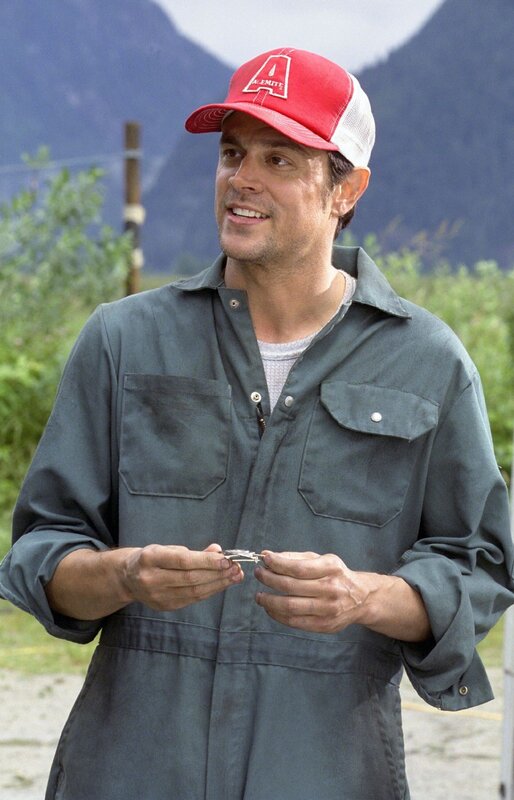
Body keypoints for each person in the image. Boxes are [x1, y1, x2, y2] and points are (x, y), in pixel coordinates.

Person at [0, 47, 513, 800]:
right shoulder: (123, 340)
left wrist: (365, 597)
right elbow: (41, 551)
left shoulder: (427, 363)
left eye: (279, 159)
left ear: (347, 189)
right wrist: (124, 575)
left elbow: (480, 569)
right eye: (232, 153)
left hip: (328, 775)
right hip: (131, 771)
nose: (242, 178)